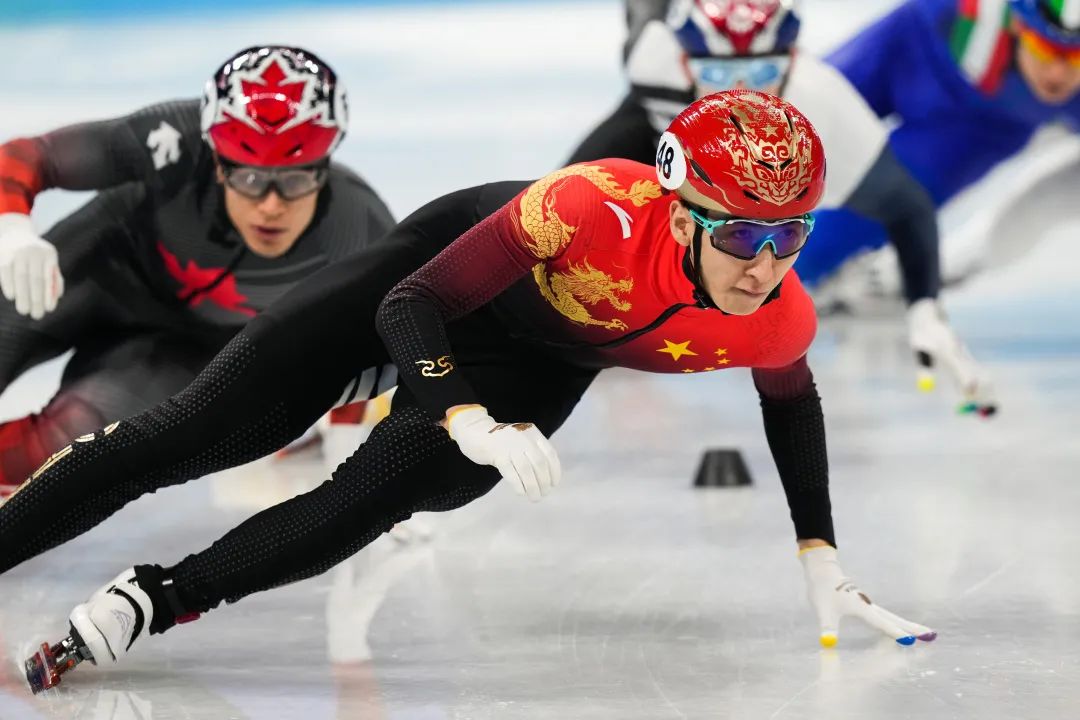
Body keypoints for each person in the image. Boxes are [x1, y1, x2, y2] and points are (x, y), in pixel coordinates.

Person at [4, 91, 934, 693]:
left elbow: (791, 407)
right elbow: (415, 303)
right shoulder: (586, 206)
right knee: (199, 432)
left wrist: (820, 552)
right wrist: (465, 412)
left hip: (539, 361)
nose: (764, 267)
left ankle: (155, 600)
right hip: (426, 283)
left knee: (380, 494)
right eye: (740, 236)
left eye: (790, 236)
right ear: (683, 213)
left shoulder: (778, 319)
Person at [0, 45, 395, 496]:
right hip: (93, 271)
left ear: (324, 166)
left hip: (179, 351)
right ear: (218, 162)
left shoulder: (358, 227)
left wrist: (347, 435)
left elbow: (362, 342)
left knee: (58, 451)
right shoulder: (175, 137)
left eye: (295, 179)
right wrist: (12, 226)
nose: (271, 205)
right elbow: (32, 155)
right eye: (249, 178)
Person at [569, 0, 996, 414]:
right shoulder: (652, 64)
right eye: (716, 74)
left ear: (792, 62)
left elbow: (907, 208)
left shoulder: (824, 106)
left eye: (763, 73)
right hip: (661, 131)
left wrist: (925, 309)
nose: (739, 93)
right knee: (579, 201)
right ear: (683, 64)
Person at [811, 0, 1080, 343]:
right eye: (1043, 48)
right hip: (909, 43)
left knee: (800, 254)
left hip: (973, 132)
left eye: (1076, 58)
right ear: (1017, 24)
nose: (1057, 73)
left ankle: (885, 278)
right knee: (765, 140)